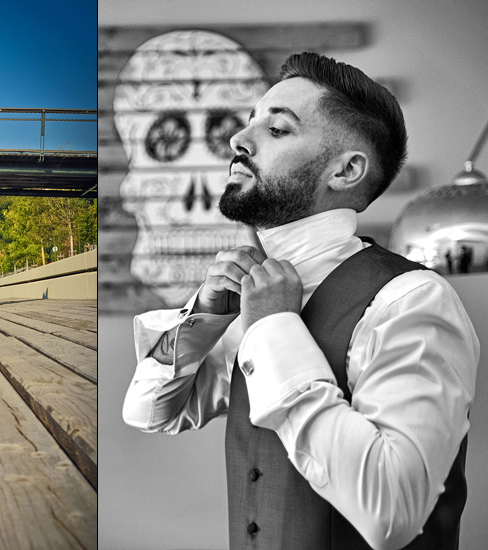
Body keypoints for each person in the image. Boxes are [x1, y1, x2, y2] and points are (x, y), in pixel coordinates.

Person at [122, 52, 478, 550]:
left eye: (278, 130)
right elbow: (150, 412)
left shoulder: (413, 301)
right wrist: (202, 316)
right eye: (249, 123)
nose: (238, 140)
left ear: (347, 169)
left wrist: (273, 330)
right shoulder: (249, 294)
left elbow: (391, 513)